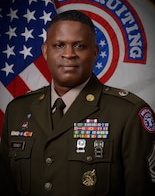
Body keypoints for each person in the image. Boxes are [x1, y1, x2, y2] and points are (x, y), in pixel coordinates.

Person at [0, 10, 155, 196]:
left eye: (80, 46)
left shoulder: (128, 113)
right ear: (45, 51)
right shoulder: (17, 110)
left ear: (95, 52)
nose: (68, 54)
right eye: (58, 45)